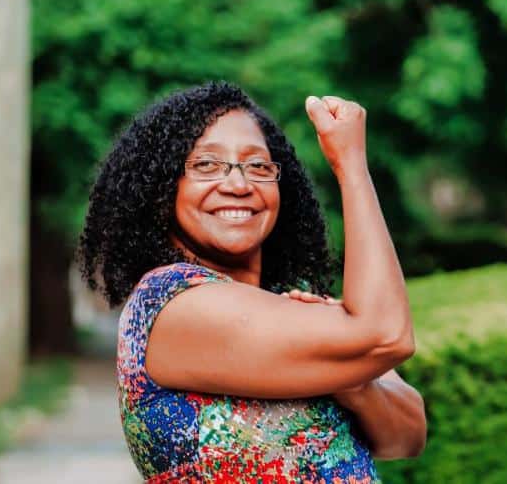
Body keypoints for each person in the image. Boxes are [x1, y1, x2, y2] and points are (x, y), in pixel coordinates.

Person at [77, 81, 426, 482]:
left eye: (258, 166)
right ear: (161, 188)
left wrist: (355, 382)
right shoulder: (172, 303)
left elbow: (408, 434)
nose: (239, 185)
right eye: (206, 165)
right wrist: (351, 165)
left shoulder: (287, 302)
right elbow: (386, 335)